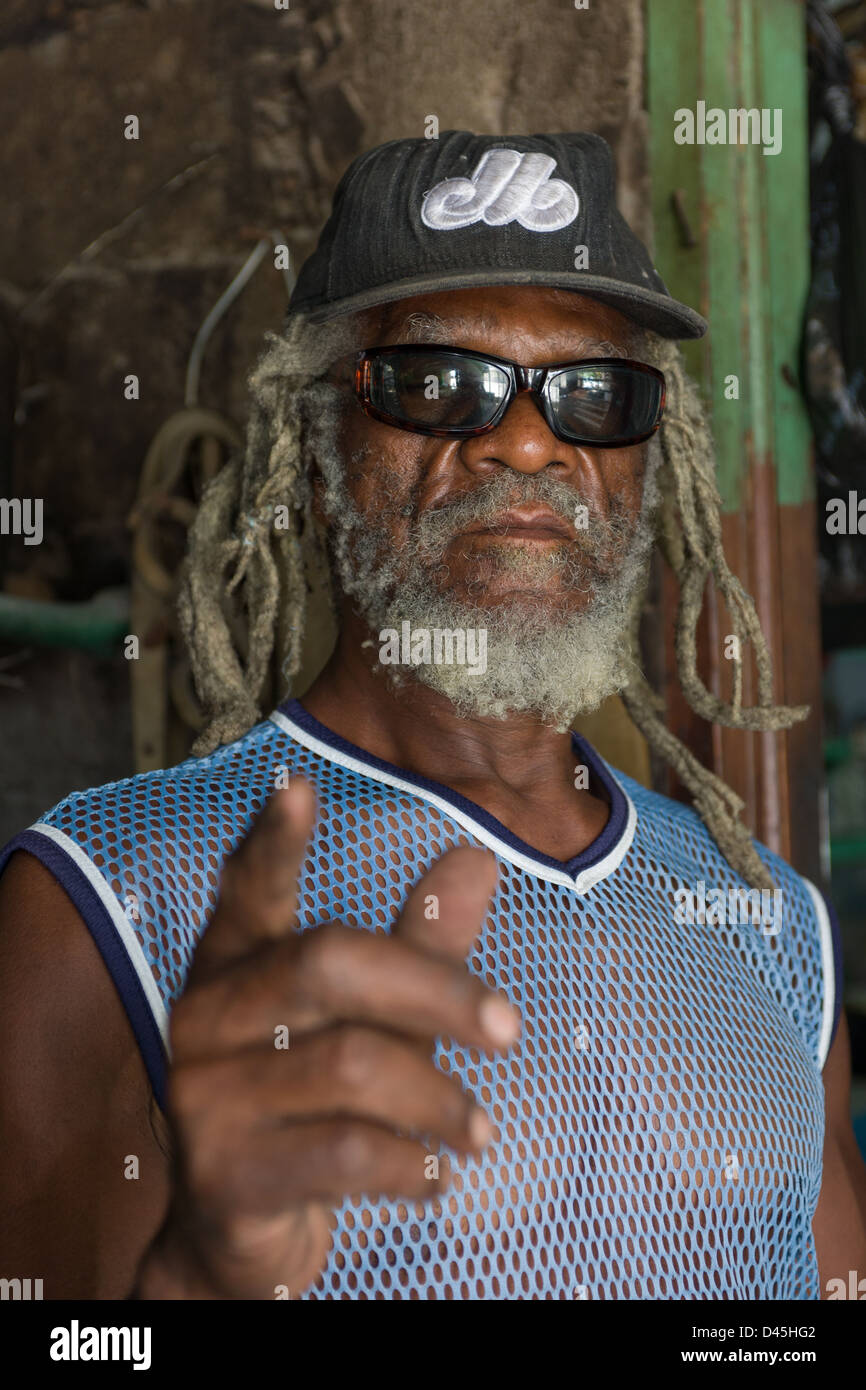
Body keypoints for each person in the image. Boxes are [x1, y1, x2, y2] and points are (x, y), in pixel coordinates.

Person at [2, 131, 865, 1301]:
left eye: (592, 394)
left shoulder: (770, 926)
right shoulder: (103, 900)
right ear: (315, 451)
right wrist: (198, 1279)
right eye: (437, 382)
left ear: (643, 463)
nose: (525, 440)